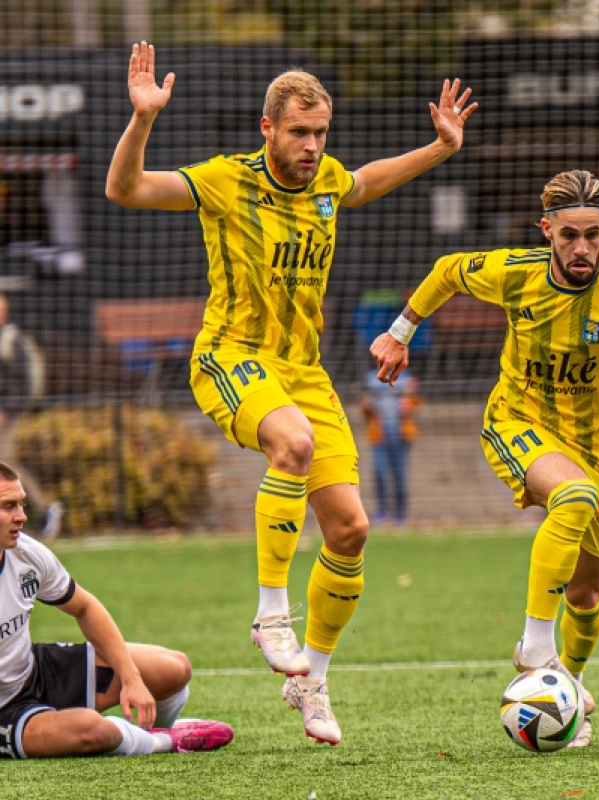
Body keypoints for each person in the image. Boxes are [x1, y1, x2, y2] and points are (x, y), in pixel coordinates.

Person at [105, 41, 477, 746]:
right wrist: (143, 120)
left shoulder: (329, 181)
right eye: (299, 132)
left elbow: (364, 180)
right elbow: (125, 190)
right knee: (293, 444)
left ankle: (312, 680)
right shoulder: (224, 179)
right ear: (267, 128)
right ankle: (270, 612)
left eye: (320, 133)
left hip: (304, 373)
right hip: (231, 355)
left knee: (351, 529)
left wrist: (439, 148)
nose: (312, 146)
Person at [370, 169, 599, 748]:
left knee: (586, 596)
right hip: (517, 422)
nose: (581, 248)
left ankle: (565, 689)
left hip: (596, 450)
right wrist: (400, 332)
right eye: (568, 236)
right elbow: (448, 270)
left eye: (592, 234)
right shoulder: (517, 272)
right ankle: (536, 649)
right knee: (575, 495)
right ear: (547, 232)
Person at [0, 461, 233, 759]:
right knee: (94, 731)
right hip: (4, 710)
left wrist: (132, 679)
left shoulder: (27, 554)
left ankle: (144, 731)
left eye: (21, 503)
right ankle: (166, 742)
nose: (22, 516)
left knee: (173, 668)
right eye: (8, 506)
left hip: (35, 670)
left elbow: (84, 607)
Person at [0, 293, 63, 540]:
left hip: (6, 412)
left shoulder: (11, 341)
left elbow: (21, 383)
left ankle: (46, 508)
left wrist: (7, 410)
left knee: (5, 460)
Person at [359, 369, 420, 526]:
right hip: (379, 435)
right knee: (379, 473)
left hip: (400, 435)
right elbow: (364, 409)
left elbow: (415, 405)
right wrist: (366, 406)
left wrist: (410, 397)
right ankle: (382, 510)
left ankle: (400, 513)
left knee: (400, 475)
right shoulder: (371, 378)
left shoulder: (406, 378)